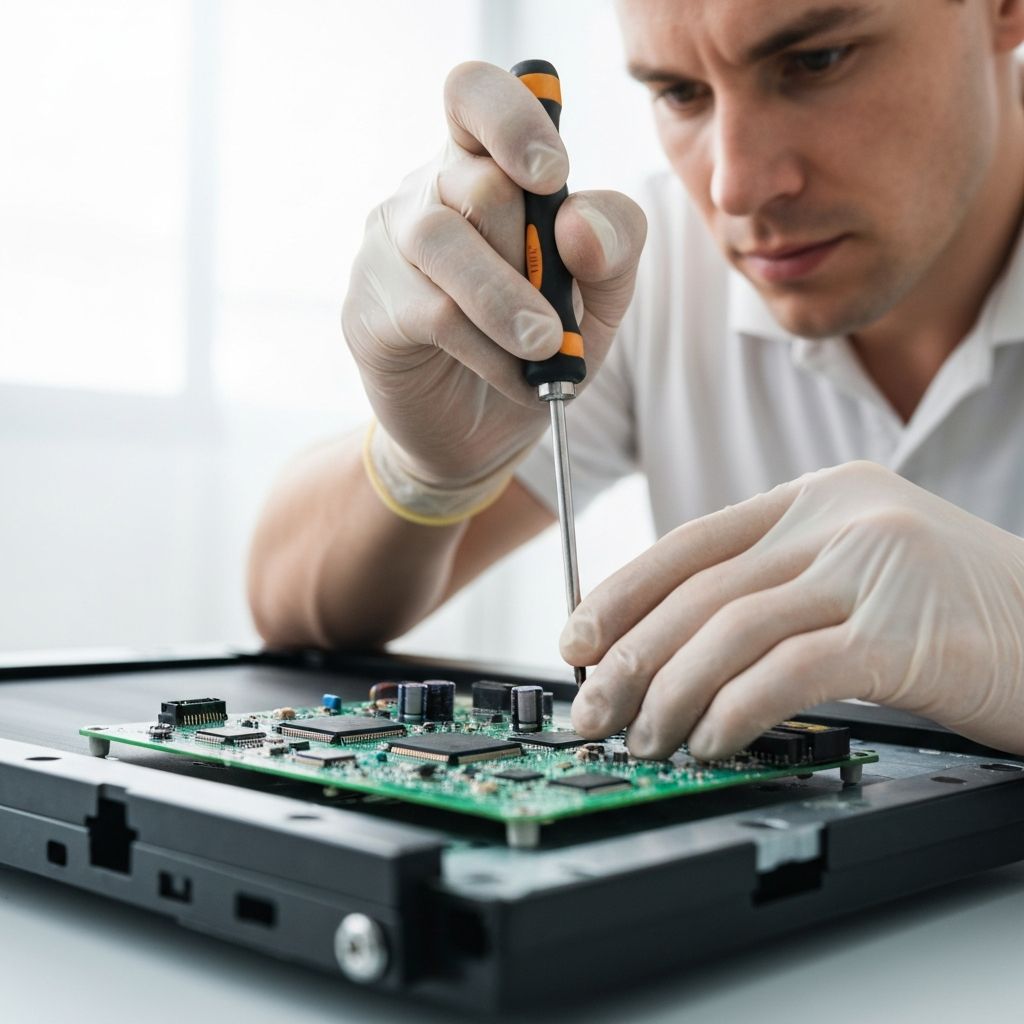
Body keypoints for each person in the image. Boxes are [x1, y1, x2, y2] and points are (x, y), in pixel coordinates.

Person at [248, 0, 1024, 760]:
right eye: (679, 92)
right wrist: (426, 473)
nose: (735, 189)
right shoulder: (634, 274)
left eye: (815, 60)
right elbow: (293, 611)